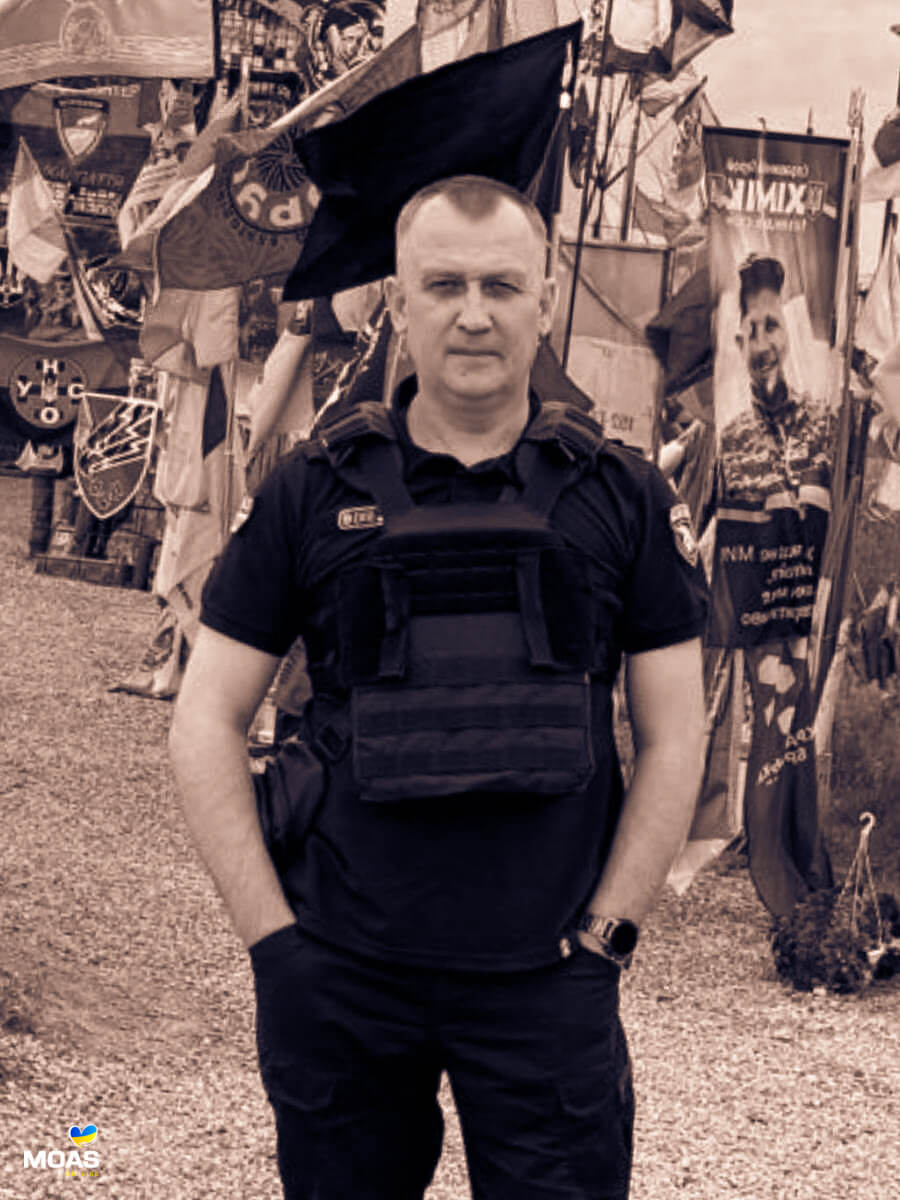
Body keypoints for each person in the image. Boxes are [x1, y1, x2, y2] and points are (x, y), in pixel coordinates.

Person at [169, 175, 708, 1200]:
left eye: (501, 286)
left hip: (548, 984)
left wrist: (607, 941)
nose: (473, 314)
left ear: (543, 300)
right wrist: (274, 945)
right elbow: (205, 718)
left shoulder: (623, 495)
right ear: (398, 300)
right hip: (343, 980)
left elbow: (676, 737)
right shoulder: (312, 489)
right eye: (444, 284)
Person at [717, 254, 835, 512]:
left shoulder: (823, 425)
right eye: (752, 332)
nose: (761, 346)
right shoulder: (731, 440)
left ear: (787, 333)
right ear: (740, 344)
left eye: (771, 327)